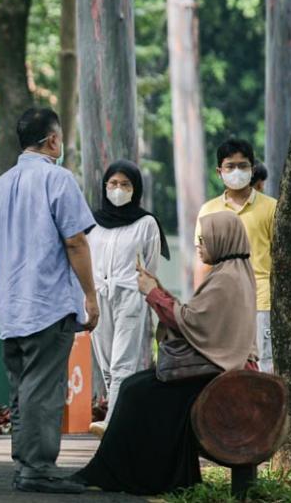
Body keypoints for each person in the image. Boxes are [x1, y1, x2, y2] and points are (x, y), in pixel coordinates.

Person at [71, 211, 257, 495]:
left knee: (137, 392)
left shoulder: (226, 279)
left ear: (223, 239)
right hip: (216, 369)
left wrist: (152, 293)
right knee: (134, 387)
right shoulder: (230, 272)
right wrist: (157, 289)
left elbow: (190, 322)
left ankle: (123, 474)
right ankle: (122, 471)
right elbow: (193, 317)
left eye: (204, 239)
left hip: (216, 375)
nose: (199, 245)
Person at [0, 107, 99, 494]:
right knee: (43, 389)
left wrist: (3, 298)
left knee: (23, 388)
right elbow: (75, 241)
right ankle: (38, 468)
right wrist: (90, 296)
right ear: (52, 140)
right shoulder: (58, 179)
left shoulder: (1, 185)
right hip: (47, 302)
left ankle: (25, 463)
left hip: (11, 306)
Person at [87, 160, 170, 437]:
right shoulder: (93, 222)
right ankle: (123, 418)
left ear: (136, 189)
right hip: (100, 295)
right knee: (106, 364)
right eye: (113, 183)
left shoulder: (146, 223)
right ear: (104, 186)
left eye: (125, 184)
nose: (118, 189)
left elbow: (151, 266)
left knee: (123, 362)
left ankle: (111, 422)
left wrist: (146, 293)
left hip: (130, 296)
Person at [195, 139, 276, 372]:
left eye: (243, 165)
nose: (237, 171)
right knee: (225, 368)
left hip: (261, 301)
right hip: (222, 302)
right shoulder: (208, 210)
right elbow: (202, 262)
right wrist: (199, 305)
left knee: (264, 366)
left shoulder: (271, 208)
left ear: (252, 169)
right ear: (219, 171)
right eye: (230, 166)